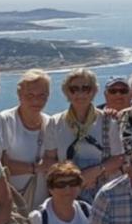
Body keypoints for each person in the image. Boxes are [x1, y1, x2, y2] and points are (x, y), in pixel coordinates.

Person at [43, 69, 125, 203]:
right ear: (67, 93)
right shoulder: (55, 122)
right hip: (68, 194)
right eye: (74, 89)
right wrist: (75, 178)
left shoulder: (108, 121)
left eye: (85, 88)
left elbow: (118, 158)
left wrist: (94, 172)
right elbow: (49, 160)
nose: (80, 93)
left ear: (93, 92)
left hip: (105, 195)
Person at [1, 69, 53, 212]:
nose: (36, 100)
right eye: (30, 95)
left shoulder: (51, 124)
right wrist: (36, 168)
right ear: (19, 95)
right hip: (12, 208)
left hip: (42, 209)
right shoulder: (5, 121)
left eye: (42, 95)